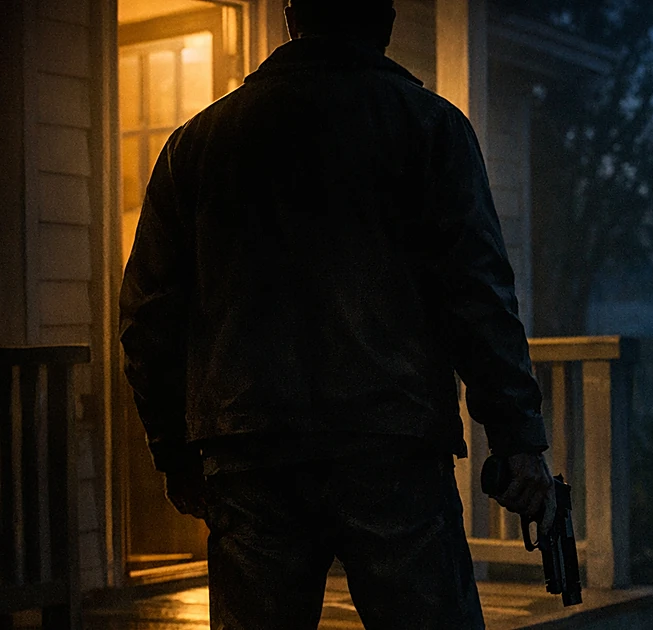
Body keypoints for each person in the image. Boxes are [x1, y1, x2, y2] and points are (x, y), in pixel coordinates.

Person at [119, 1, 554, 628]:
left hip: (250, 451)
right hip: (391, 445)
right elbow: (478, 296)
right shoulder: (429, 128)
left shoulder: (198, 144)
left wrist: (175, 453)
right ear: (386, 20)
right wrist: (518, 440)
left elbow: (148, 317)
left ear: (293, 19)